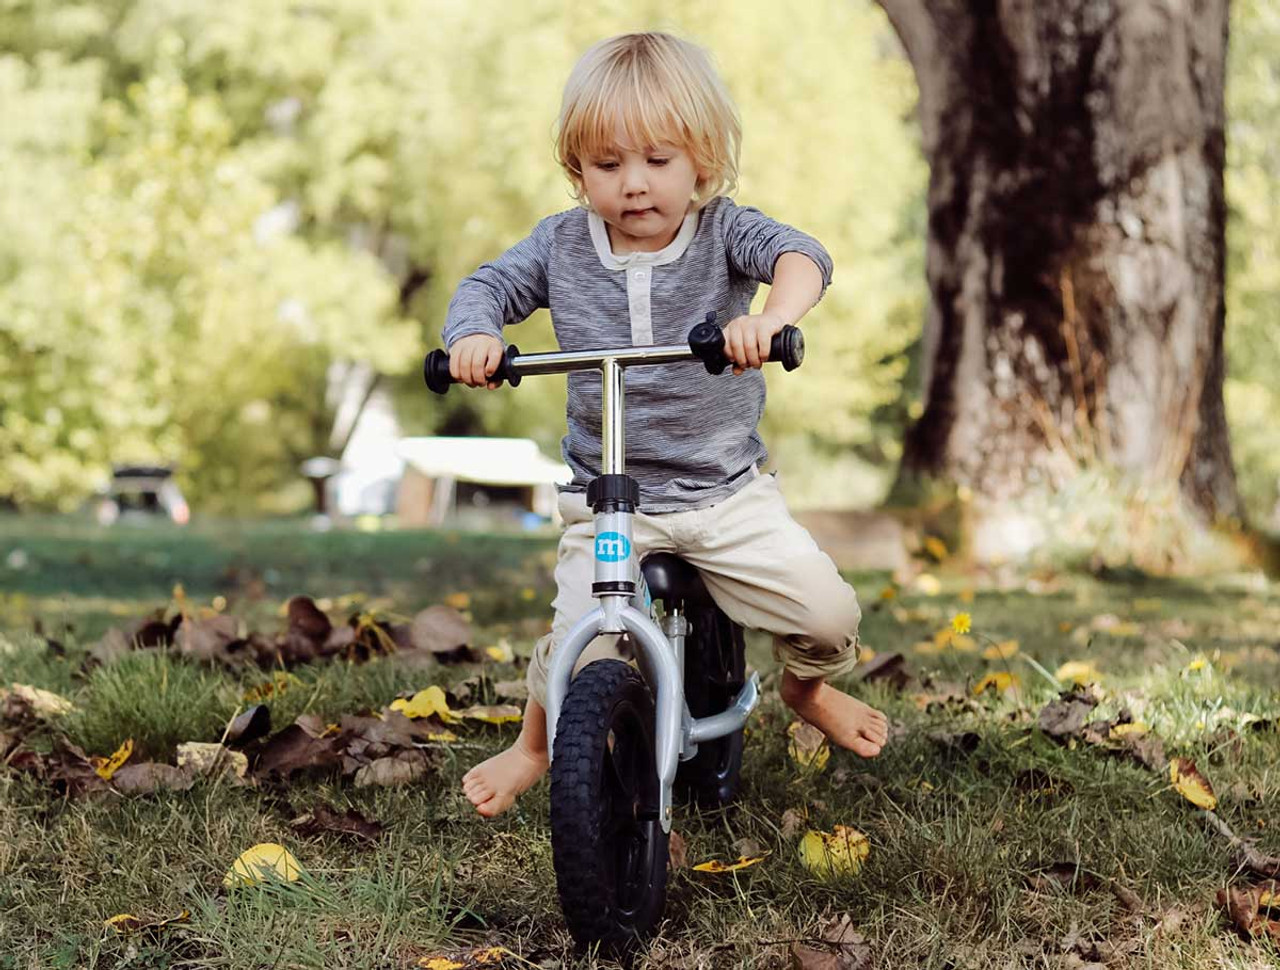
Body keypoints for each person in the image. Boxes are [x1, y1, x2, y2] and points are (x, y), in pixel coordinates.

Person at [444, 31, 888, 818]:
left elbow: (801, 255)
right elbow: (488, 286)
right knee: (581, 640)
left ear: (703, 164)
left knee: (827, 613)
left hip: (723, 493)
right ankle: (533, 745)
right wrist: (473, 337)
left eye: (657, 161)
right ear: (577, 169)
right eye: (607, 165)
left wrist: (770, 317)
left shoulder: (723, 232)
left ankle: (805, 690)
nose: (634, 185)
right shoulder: (560, 244)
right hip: (612, 499)